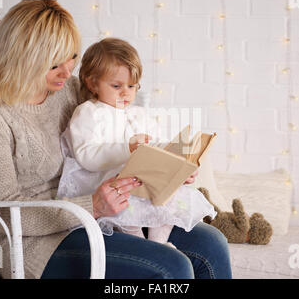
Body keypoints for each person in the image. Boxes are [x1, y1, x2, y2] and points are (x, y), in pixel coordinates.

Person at [0, 0, 232, 279]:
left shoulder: (68, 90)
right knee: (170, 268)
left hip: (104, 216)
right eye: (54, 64)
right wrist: (93, 206)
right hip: (33, 242)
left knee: (211, 244)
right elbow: (5, 214)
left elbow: (116, 127)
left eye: (72, 57)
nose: (68, 72)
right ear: (23, 58)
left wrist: (172, 169)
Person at [58, 37, 216, 249]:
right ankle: (141, 245)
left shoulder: (139, 114)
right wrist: (127, 148)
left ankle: (158, 243)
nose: (126, 92)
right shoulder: (89, 113)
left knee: (172, 196)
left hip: (142, 178)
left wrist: (178, 164)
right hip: (108, 182)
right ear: (92, 82)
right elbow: (87, 156)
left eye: (132, 86)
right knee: (127, 203)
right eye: (116, 85)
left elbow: (157, 144)